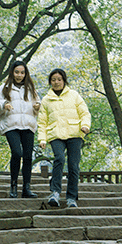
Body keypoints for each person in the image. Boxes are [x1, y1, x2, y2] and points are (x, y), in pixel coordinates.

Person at [37, 68, 91, 208]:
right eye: (53, 80)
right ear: (50, 82)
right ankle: (54, 192)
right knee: (59, 159)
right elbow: (42, 121)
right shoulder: (46, 100)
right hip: (56, 135)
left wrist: (85, 125)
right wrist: (42, 139)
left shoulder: (74, 95)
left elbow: (84, 112)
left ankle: (71, 198)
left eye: (59, 79)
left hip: (75, 134)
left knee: (73, 166)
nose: (56, 82)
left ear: (64, 81)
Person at [0, 60, 40, 198]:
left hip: (27, 125)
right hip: (11, 125)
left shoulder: (31, 88)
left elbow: (38, 103)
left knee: (27, 156)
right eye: (17, 72)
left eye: (22, 72)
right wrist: (4, 104)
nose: (19, 75)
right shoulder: (4, 88)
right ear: (12, 72)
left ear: (26, 74)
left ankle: (26, 188)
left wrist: (37, 107)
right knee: (17, 152)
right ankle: (13, 185)